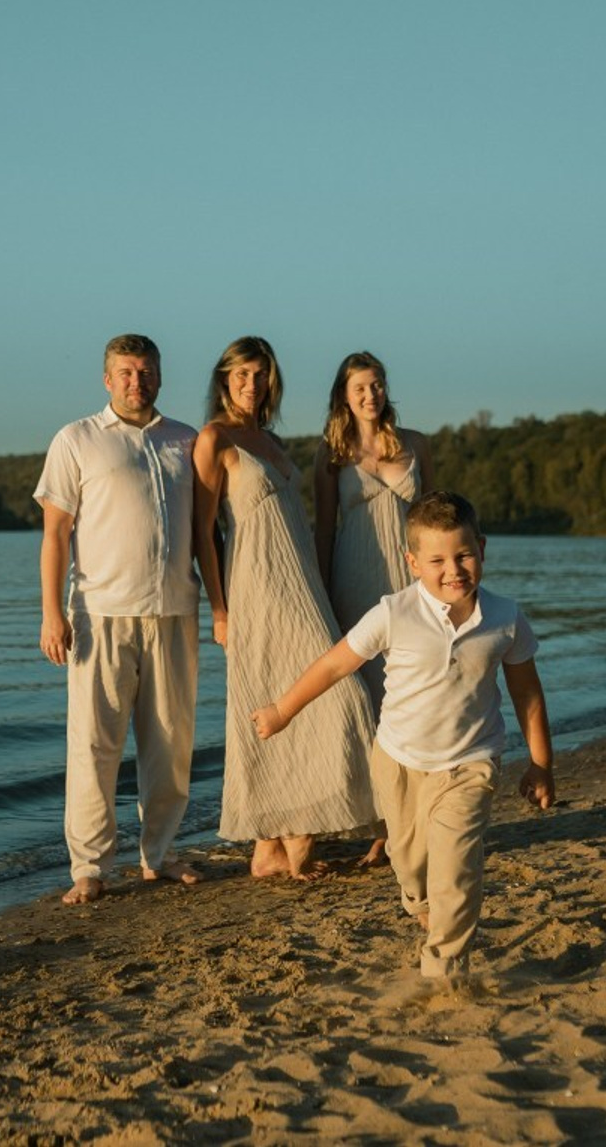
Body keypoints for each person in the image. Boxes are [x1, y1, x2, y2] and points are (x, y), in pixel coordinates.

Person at [252, 491, 555, 979]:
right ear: (412, 562)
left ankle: (444, 968)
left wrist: (541, 763)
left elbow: (528, 694)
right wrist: (283, 710)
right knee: (411, 866)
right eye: (436, 560)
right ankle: (419, 901)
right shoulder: (394, 613)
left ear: (482, 549)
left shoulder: (504, 618)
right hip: (398, 762)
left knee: (456, 871)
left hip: (471, 763)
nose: (452, 569)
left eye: (463, 555)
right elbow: (334, 664)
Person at [193, 335, 378, 880]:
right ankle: (283, 839)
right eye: (242, 374)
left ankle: (276, 845)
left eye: (261, 375)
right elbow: (203, 533)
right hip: (255, 589)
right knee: (278, 702)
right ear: (224, 379)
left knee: (328, 696)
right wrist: (219, 609)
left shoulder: (270, 440)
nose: (252, 384)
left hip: (301, 586)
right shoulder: (214, 438)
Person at [35, 333, 203, 905]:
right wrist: (51, 614)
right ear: (107, 379)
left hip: (175, 611)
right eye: (127, 373)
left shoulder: (186, 440)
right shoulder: (76, 439)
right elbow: (55, 534)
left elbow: (207, 535)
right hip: (100, 616)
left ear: (160, 375)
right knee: (94, 746)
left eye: (147, 371)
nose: (138, 381)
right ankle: (89, 868)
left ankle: (160, 855)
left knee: (172, 744)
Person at [314, 351, 435, 713]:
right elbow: (324, 531)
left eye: (377, 385)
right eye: (361, 388)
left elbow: (435, 520)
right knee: (365, 685)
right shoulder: (331, 453)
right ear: (344, 396)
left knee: (418, 674)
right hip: (354, 580)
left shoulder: (416, 444)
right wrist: (322, 596)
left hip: (411, 577)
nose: (371, 394)